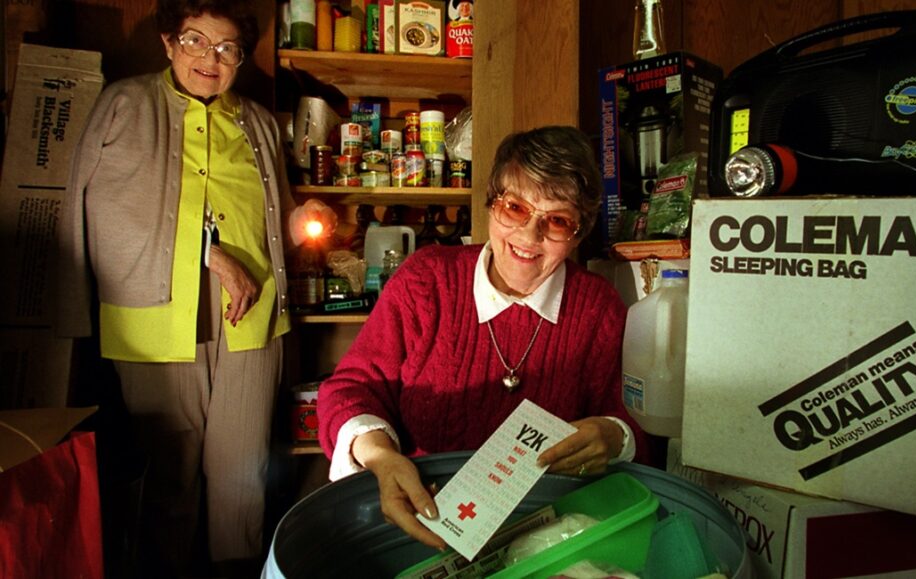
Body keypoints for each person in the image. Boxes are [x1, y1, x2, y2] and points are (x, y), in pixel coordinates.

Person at [316, 125, 648, 550]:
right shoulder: (426, 280)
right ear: (491, 204)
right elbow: (351, 389)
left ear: (579, 233)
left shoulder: (599, 308)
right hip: (420, 517)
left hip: (544, 534)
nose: (530, 237)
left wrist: (615, 434)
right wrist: (381, 457)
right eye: (515, 208)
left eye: (558, 221)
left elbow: (637, 422)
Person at [56, 0, 294, 576]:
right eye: (194, 41)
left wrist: (310, 220)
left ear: (240, 57)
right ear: (168, 43)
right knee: (168, 483)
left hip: (251, 320)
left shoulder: (257, 121)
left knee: (243, 482)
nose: (209, 59)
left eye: (226, 48)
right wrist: (211, 257)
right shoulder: (125, 104)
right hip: (153, 321)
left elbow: (276, 213)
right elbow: (104, 211)